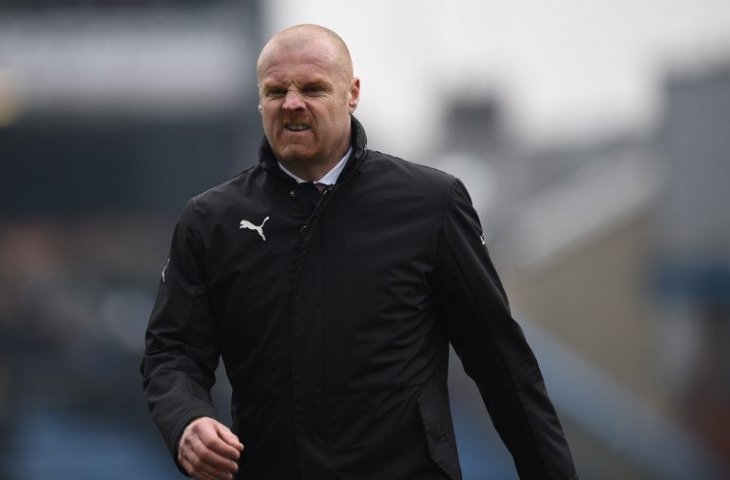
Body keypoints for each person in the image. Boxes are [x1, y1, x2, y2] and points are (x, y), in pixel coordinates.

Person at [141, 24, 578, 480]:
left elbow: (503, 365)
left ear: (352, 94)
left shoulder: (432, 205)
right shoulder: (212, 221)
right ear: (260, 101)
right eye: (275, 91)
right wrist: (187, 420)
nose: (292, 103)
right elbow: (171, 353)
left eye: (312, 88)